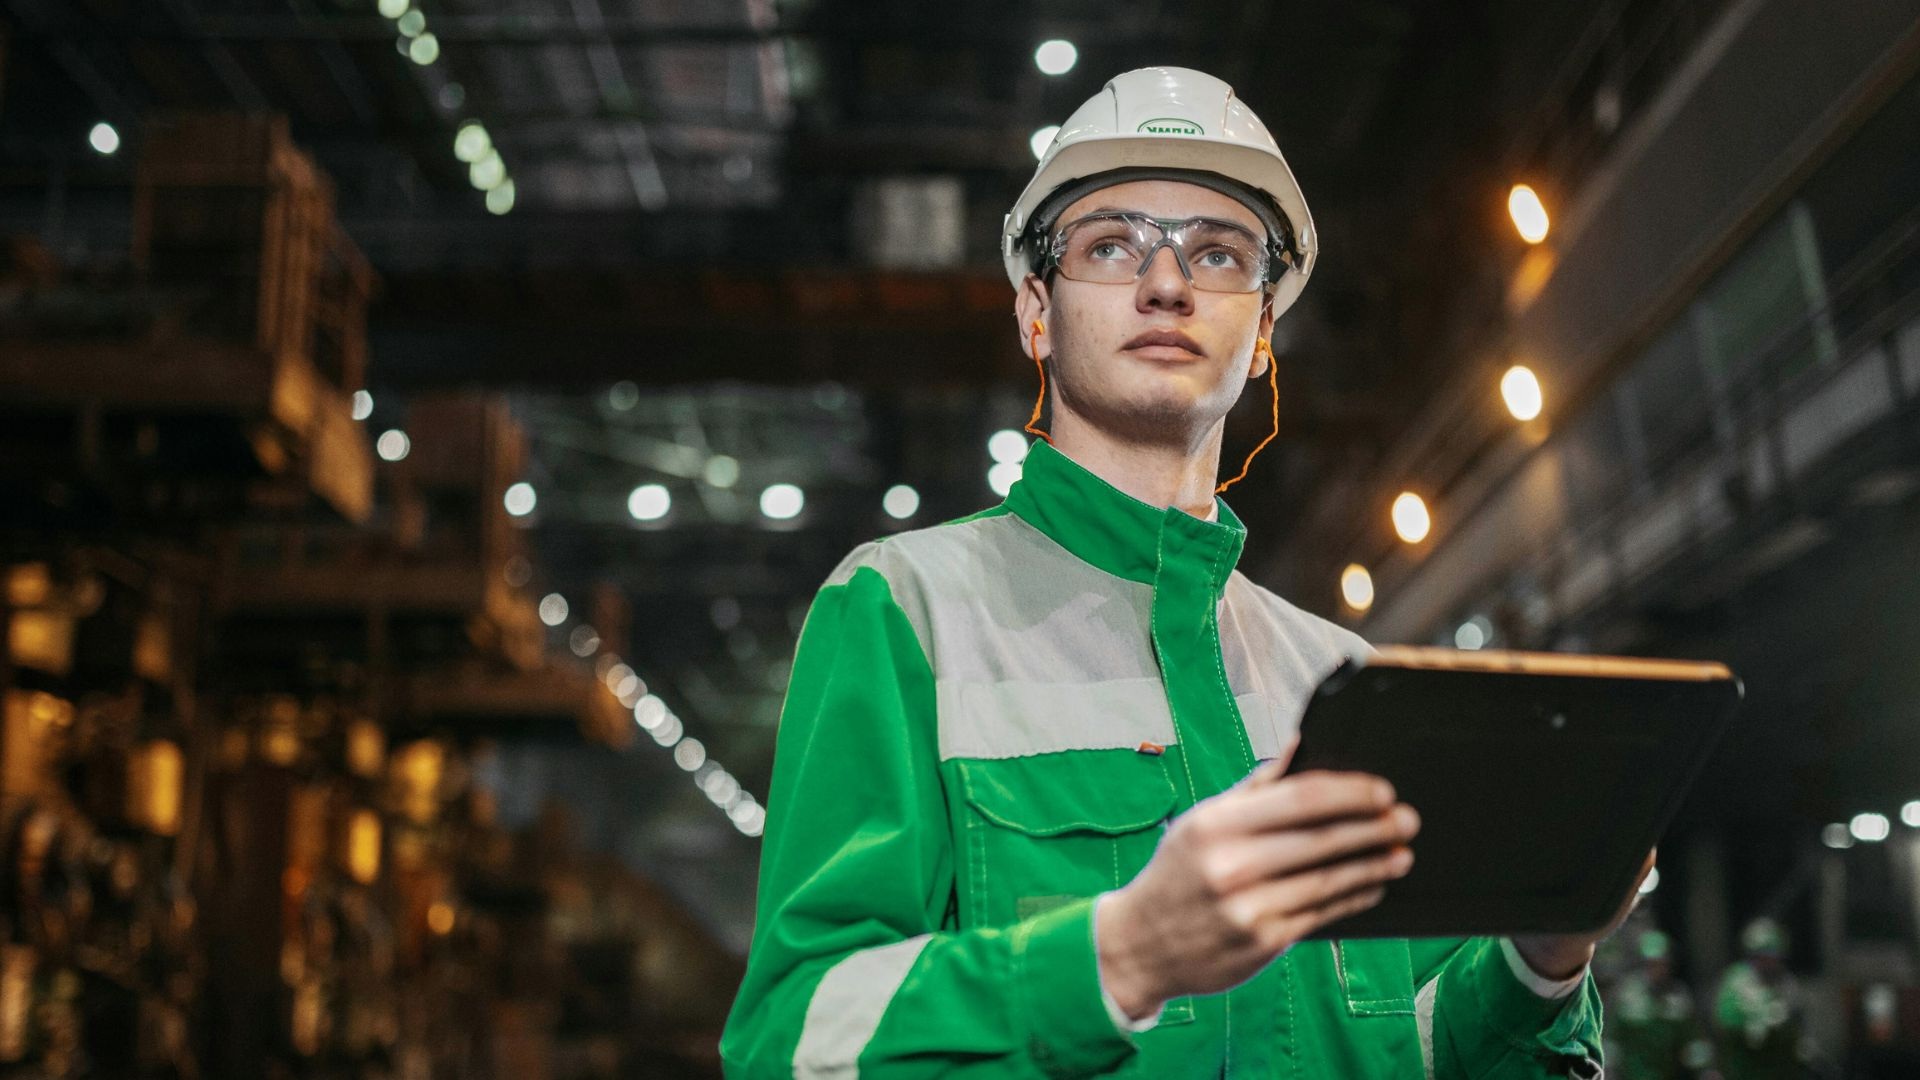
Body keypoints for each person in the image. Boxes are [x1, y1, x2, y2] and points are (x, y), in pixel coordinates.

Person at [720, 67, 1646, 1078]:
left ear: (1261, 336)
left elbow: (1419, 1049)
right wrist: (1121, 957)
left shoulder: (1346, 680)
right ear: (1036, 310)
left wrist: (1545, 959)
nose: (1168, 283)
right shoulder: (907, 613)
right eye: (1111, 245)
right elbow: (792, 1042)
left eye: (1218, 253)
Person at [1713, 917, 1812, 1079]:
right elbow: (1725, 1019)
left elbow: (1798, 1020)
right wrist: (1757, 1022)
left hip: (1781, 1070)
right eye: (1761, 956)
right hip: (1746, 1070)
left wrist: (1800, 1043)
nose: (1768, 962)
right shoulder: (1737, 980)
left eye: (1773, 955)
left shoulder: (1786, 982)